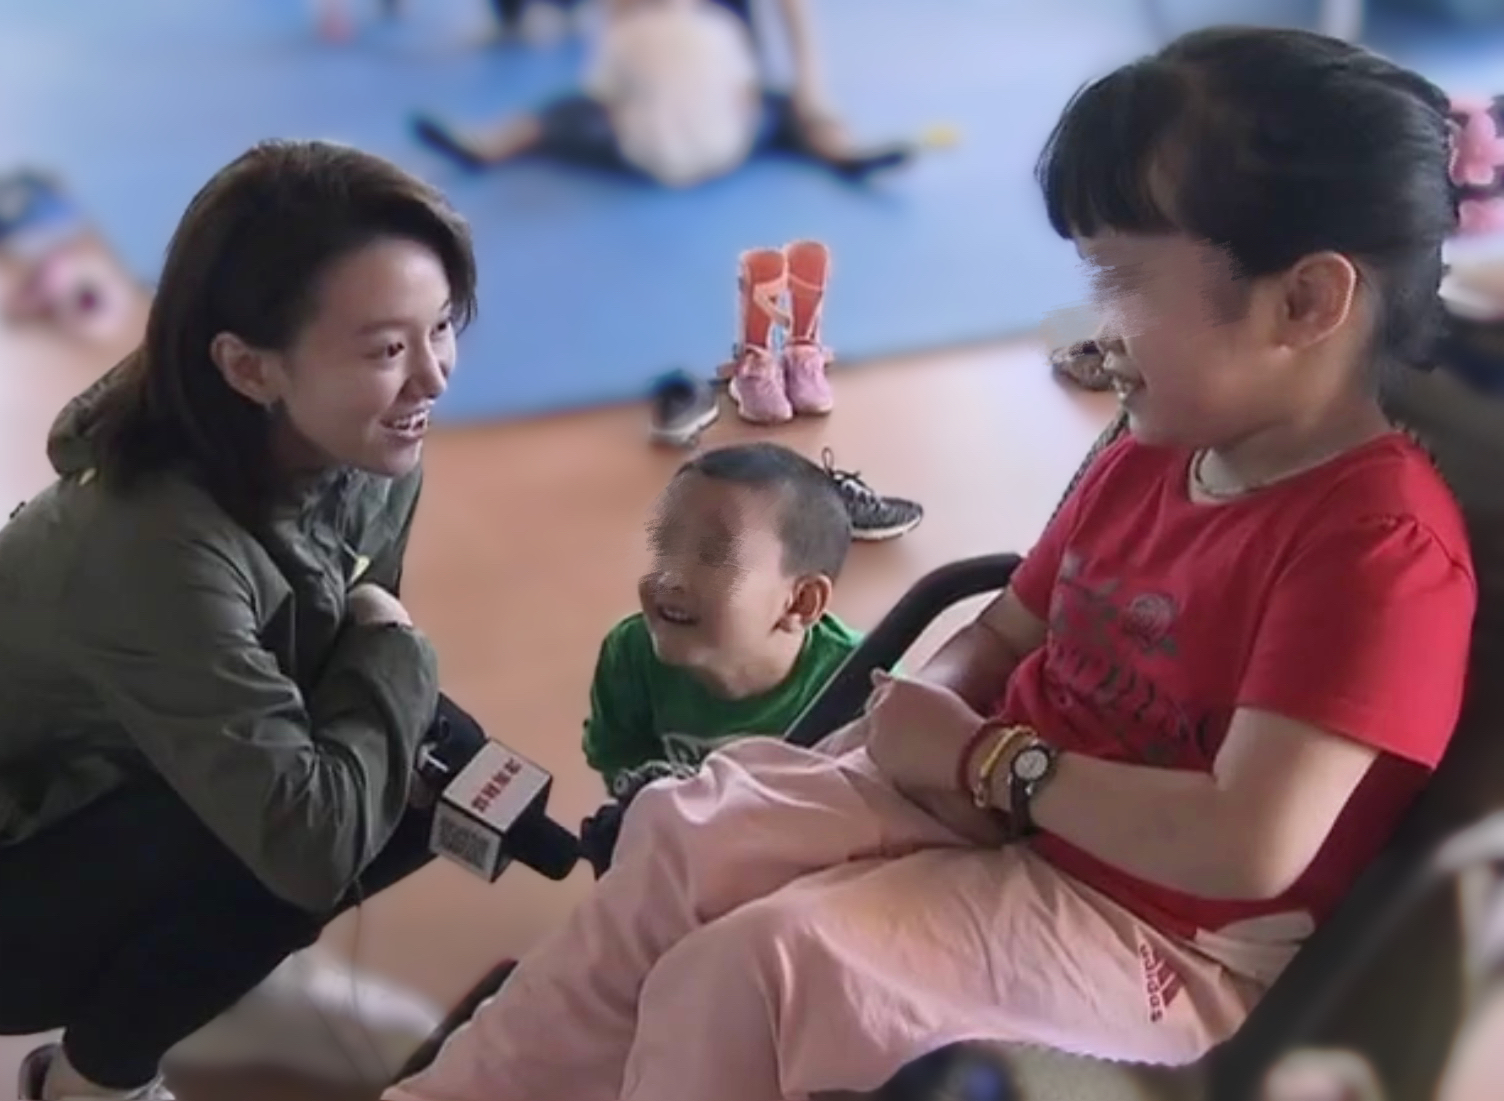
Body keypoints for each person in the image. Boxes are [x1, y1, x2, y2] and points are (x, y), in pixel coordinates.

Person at [382, 27, 1480, 1101]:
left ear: (1304, 302)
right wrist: (926, 720)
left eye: (1123, 283)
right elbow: (1004, 631)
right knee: (682, 835)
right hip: (999, 805)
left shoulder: (1377, 551)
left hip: (1154, 934)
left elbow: (1245, 845)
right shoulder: (1155, 451)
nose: (1091, 326)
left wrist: (991, 762)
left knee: (758, 970)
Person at [0, 140, 479, 1101]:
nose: (432, 378)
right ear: (249, 367)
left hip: (142, 771)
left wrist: (382, 652)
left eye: (440, 327)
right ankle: (92, 1081)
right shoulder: (151, 546)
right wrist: (396, 644)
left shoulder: (365, 438)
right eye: (386, 348)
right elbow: (314, 838)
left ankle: (226, 980)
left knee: (445, 769)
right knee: (348, 813)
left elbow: (339, 656)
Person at [582, 442, 860, 793]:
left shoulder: (867, 684)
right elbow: (618, 757)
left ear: (800, 603)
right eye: (665, 545)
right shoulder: (630, 655)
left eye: (713, 555)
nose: (670, 577)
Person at [411, 0, 914, 188]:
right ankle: (836, 148)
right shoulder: (716, 31)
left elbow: (601, 88)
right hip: (725, 102)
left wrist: (812, 86)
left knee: (563, 115)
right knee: (779, 112)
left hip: (658, 101)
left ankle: (491, 145)